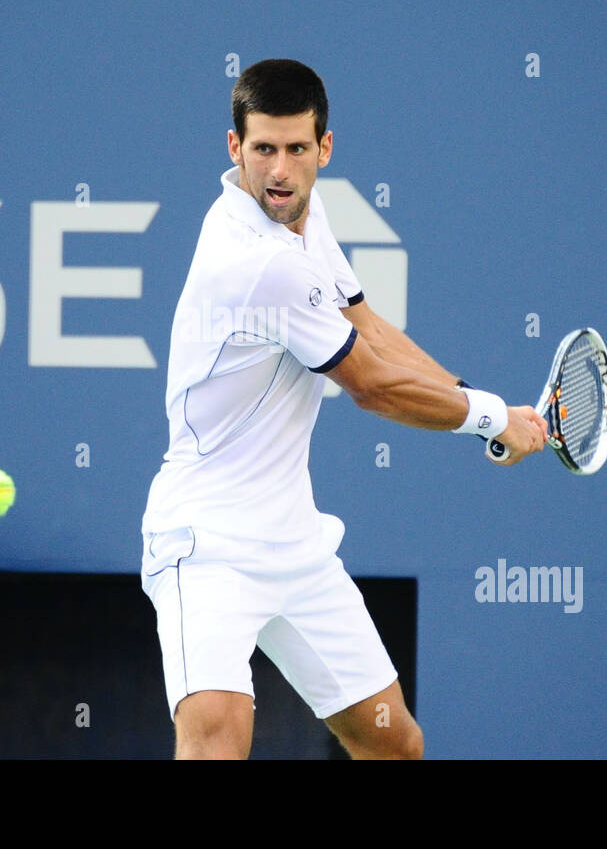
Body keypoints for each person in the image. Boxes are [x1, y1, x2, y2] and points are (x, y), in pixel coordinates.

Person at [140, 59, 549, 759]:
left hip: (293, 543)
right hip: (205, 543)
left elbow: (368, 326)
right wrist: (486, 417)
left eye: (297, 149)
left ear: (324, 149)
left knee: (393, 745)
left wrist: (477, 399)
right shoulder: (257, 261)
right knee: (216, 742)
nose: (280, 170)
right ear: (233, 147)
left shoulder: (304, 217)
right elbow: (372, 386)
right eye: (263, 149)